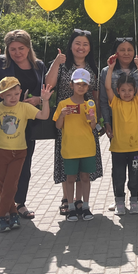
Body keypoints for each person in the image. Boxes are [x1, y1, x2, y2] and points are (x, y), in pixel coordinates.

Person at [0, 29, 46, 220]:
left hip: (27, 122)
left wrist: (38, 99)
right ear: (7, 49)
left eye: (21, 48)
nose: (17, 52)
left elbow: (44, 90)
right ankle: (5, 207)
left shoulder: (38, 65)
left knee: (24, 165)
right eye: (12, 49)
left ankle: (20, 203)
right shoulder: (0, 63)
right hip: (2, 122)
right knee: (2, 168)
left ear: (28, 48)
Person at [0, 77, 53, 233]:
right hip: (0, 151)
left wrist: (45, 100)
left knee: (11, 185)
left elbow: (44, 116)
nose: (13, 98)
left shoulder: (24, 107)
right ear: (1, 95)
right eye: (8, 95)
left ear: (21, 92)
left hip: (20, 152)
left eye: (16, 94)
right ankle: (13, 213)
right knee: (2, 186)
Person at [45, 29, 103, 217]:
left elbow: (96, 94)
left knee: (84, 164)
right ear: (71, 45)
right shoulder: (62, 64)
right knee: (68, 163)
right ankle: (67, 199)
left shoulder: (92, 67)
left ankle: (80, 200)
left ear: (90, 48)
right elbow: (48, 84)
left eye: (85, 44)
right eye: (77, 43)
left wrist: (98, 119)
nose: (81, 47)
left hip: (86, 121)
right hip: (66, 119)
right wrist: (56, 62)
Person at [53, 68, 97, 221]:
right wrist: (62, 115)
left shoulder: (90, 104)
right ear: (71, 85)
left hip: (87, 147)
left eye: (84, 84)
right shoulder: (63, 104)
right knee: (70, 178)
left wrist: (91, 119)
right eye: (78, 84)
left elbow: (93, 127)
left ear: (88, 87)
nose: (81, 87)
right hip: (70, 148)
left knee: (85, 177)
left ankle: (85, 206)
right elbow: (58, 126)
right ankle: (71, 207)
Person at [104, 54, 138, 216]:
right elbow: (107, 87)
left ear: (134, 91)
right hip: (118, 148)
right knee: (119, 176)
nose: (127, 93)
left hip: (135, 148)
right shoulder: (115, 102)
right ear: (118, 91)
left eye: (130, 90)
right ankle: (119, 201)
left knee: (135, 177)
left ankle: (134, 201)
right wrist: (110, 69)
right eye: (123, 90)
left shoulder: (137, 102)